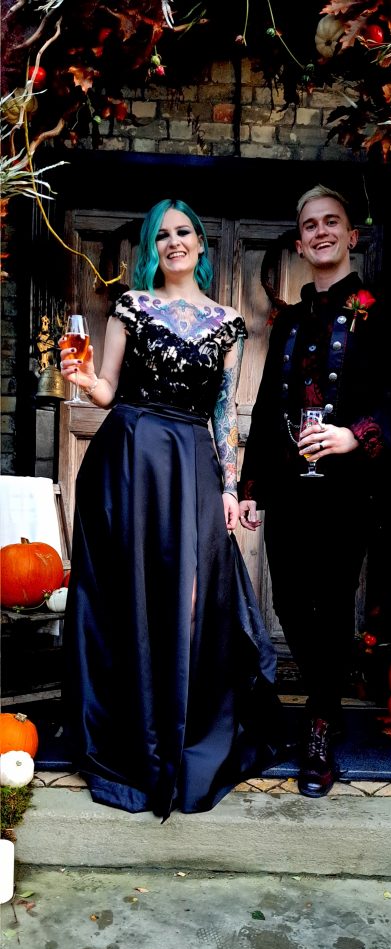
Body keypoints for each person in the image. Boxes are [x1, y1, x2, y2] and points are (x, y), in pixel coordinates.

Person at [60, 198, 282, 821]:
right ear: (152, 247)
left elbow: (223, 419)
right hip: (129, 457)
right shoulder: (131, 306)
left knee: (189, 600)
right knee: (128, 595)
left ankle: (181, 733)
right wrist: (83, 382)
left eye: (184, 232)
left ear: (202, 245)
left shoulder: (228, 324)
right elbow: (106, 389)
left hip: (190, 462)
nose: (174, 242)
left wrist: (231, 489)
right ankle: (132, 736)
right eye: (163, 234)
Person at [238, 184, 391, 798]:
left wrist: (358, 435)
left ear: (352, 236)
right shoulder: (290, 321)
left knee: (330, 605)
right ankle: (326, 702)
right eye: (310, 225)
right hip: (292, 489)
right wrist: (251, 486)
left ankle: (320, 723)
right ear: (300, 243)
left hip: (349, 492)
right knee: (294, 606)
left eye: (332, 222)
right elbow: (271, 405)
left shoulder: (384, 311)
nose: (321, 231)